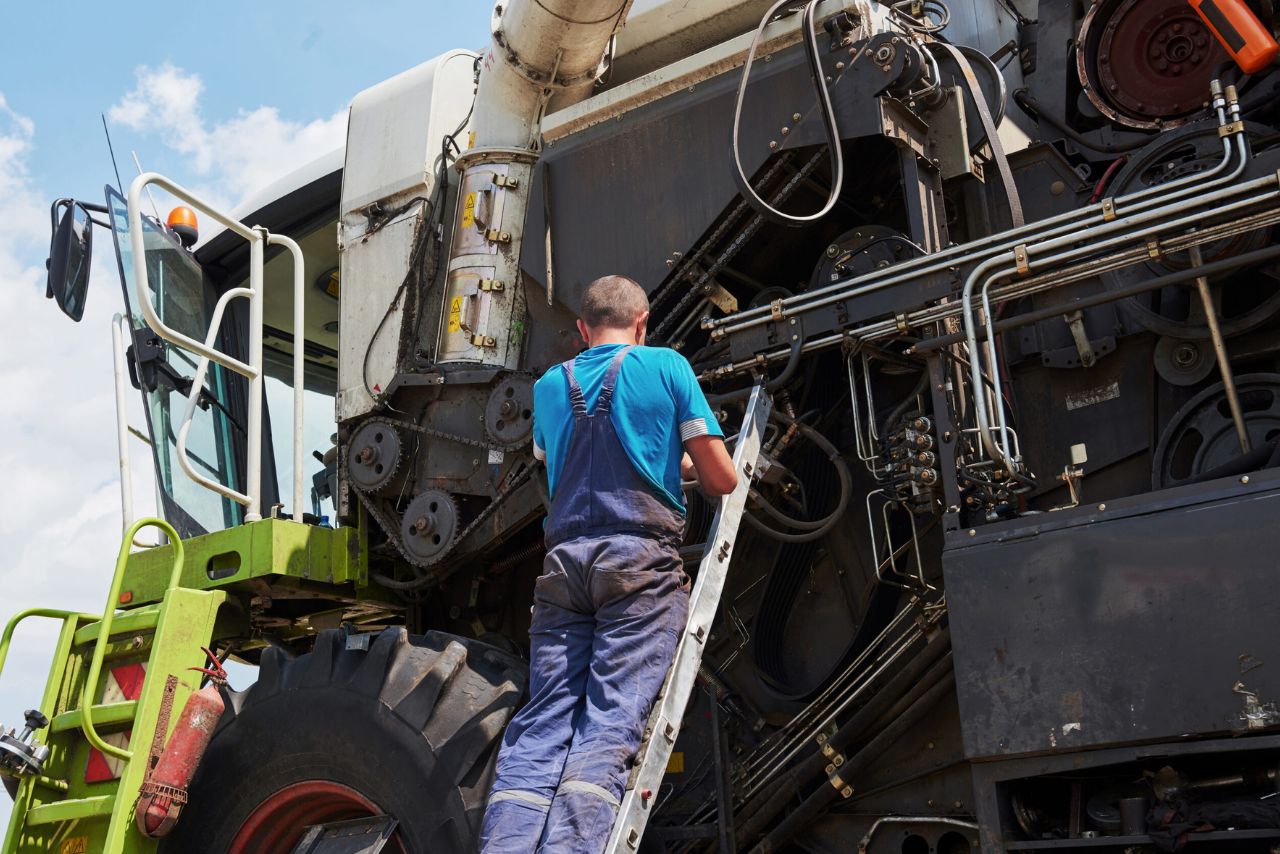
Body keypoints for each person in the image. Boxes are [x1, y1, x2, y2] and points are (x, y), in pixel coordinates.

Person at [480, 275, 739, 853]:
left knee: (542, 725)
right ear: (642, 322)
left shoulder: (550, 386)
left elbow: (565, 469)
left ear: (581, 329)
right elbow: (723, 478)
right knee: (608, 723)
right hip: (637, 567)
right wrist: (680, 467)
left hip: (565, 570)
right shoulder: (666, 367)